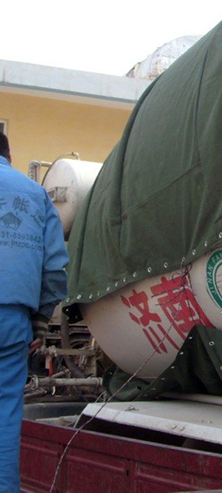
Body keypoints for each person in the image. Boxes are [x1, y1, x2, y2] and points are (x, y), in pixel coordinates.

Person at [0, 133, 68, 493]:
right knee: (5, 413)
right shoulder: (35, 194)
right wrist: (41, 319)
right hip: (12, 321)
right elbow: (55, 266)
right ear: (8, 155)